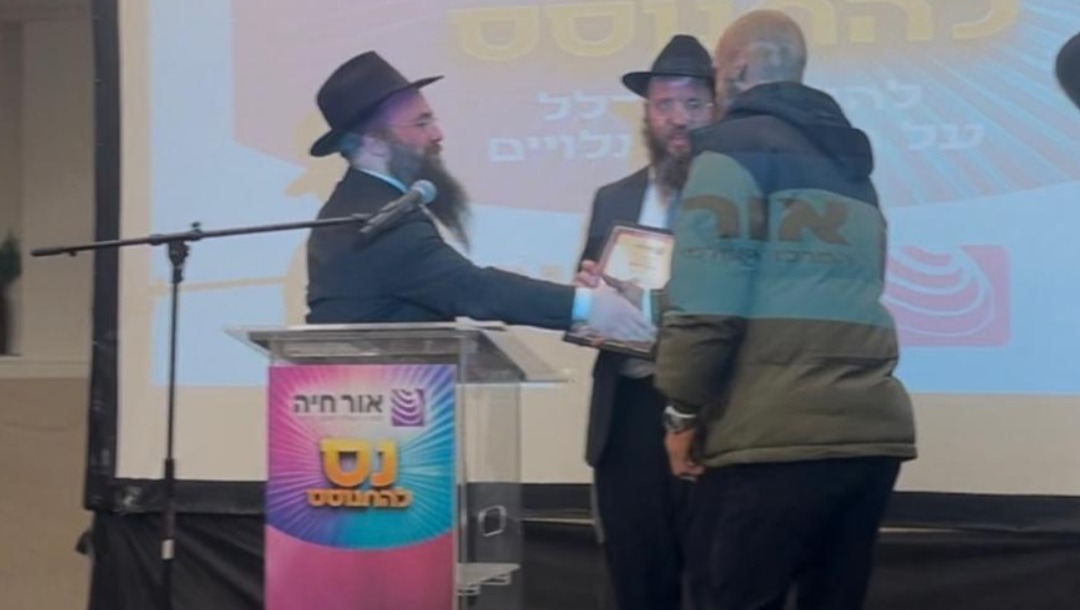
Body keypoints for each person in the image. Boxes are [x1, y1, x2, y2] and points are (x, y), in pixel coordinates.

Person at [652, 10, 917, 610]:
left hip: (772, 441)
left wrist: (681, 411)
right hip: (868, 437)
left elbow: (707, 306)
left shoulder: (729, 150)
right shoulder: (851, 166)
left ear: (739, 68)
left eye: (716, 72)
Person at [303, 51, 654, 342]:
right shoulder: (373, 221)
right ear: (375, 143)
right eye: (421, 123)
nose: (437, 133)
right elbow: (473, 289)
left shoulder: (362, 203)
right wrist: (588, 306)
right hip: (376, 398)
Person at [573, 34, 718, 610]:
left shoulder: (737, 197)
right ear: (647, 114)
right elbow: (591, 300)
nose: (678, 118)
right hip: (628, 412)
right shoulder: (614, 197)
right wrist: (587, 296)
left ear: (717, 109)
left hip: (710, 411)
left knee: (716, 578)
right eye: (665, 105)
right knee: (636, 578)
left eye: (693, 104)